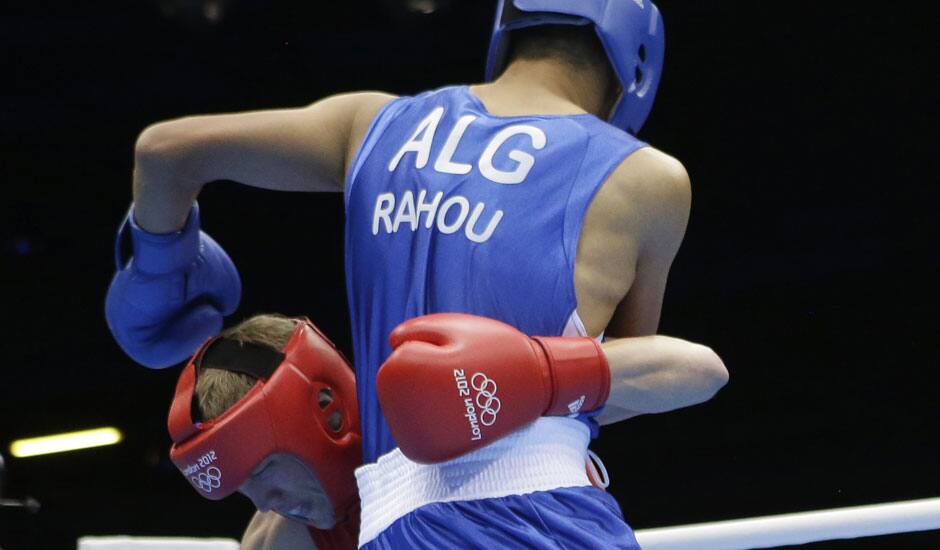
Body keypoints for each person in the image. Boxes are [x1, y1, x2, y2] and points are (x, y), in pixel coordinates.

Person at [105, 1, 730, 547]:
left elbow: (164, 152)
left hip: (409, 522)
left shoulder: (369, 127)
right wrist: (518, 380)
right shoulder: (646, 178)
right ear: (636, 69)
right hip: (537, 519)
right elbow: (616, 390)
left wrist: (161, 273)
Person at [167, 313, 360, 550]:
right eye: (240, 488)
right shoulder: (281, 542)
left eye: (261, 470)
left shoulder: (418, 455)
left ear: (326, 407)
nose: (264, 504)